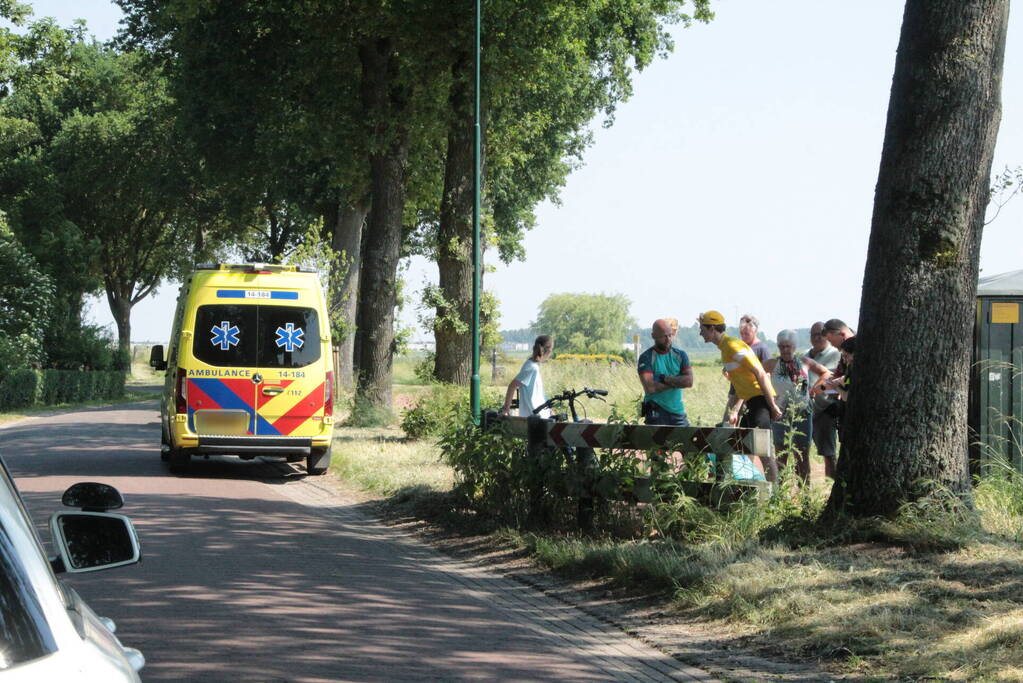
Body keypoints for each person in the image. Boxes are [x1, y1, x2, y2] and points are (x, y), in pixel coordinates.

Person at [698, 310, 782, 481]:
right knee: (742, 447)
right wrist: (736, 409)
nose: (700, 333)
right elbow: (742, 383)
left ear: (712, 328)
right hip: (751, 402)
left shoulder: (732, 345)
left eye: (702, 329)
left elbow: (760, 373)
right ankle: (745, 487)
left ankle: (776, 494)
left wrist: (772, 405)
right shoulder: (724, 349)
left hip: (760, 401)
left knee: (763, 450)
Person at [763, 329, 831, 482]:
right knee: (781, 457)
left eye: (788, 346)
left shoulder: (805, 362)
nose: (785, 350)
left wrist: (815, 389)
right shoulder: (773, 363)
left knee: (802, 457)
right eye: (781, 346)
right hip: (780, 415)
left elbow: (826, 373)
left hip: (803, 415)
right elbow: (757, 374)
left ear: (794, 346)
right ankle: (779, 495)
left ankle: (805, 496)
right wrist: (769, 396)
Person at [638, 319, 694, 426]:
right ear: (653, 336)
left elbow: (689, 382)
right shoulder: (646, 357)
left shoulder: (680, 355)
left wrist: (665, 379)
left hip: (678, 412)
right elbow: (650, 388)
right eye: (663, 336)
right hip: (656, 412)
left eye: (670, 335)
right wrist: (678, 381)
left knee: (686, 442)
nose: (668, 339)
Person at [805, 321, 841, 478]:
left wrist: (820, 389)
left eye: (820, 334)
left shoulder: (836, 354)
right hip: (805, 410)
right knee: (801, 452)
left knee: (828, 452)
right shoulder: (805, 356)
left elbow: (841, 382)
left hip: (825, 410)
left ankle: (831, 484)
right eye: (814, 335)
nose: (817, 337)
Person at [722, 313, 770, 423]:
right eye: (742, 333)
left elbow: (766, 374)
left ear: (755, 331)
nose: (743, 336)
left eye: (746, 333)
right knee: (727, 424)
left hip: (753, 396)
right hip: (735, 393)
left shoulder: (762, 349)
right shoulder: (739, 347)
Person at [501, 335, 554, 417]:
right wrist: (506, 409)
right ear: (549, 351)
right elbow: (512, 386)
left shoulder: (534, 366)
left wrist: (549, 409)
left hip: (540, 415)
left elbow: (538, 393)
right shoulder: (531, 367)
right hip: (534, 416)